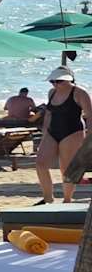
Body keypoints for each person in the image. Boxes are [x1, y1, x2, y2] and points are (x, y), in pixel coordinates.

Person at [38, 67, 90, 203]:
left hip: (73, 131)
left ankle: (67, 199)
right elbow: (49, 113)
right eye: (52, 81)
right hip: (52, 131)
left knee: (67, 169)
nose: (55, 84)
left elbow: (90, 115)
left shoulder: (79, 93)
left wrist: (89, 136)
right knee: (41, 164)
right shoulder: (52, 93)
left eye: (59, 81)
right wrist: (45, 131)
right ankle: (48, 198)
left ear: (69, 80)